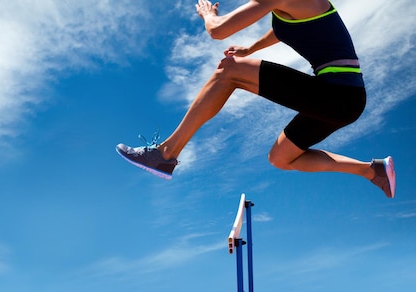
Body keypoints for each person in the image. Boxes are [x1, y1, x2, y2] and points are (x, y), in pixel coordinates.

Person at [116, 0, 396, 198]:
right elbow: (283, 29)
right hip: (342, 101)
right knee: (281, 158)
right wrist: (251, 47)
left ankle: (165, 154)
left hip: (337, 94)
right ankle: (373, 171)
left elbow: (218, 30)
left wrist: (207, 15)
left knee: (229, 71)